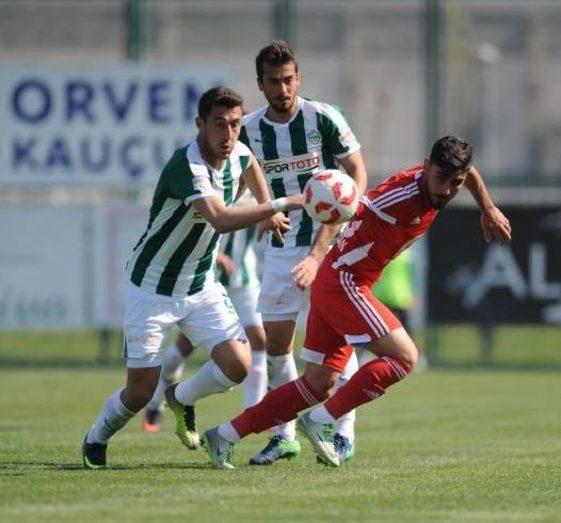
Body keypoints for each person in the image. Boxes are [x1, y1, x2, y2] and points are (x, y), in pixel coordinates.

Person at [199, 135, 512, 469]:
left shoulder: (442, 182)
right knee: (404, 357)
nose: (448, 190)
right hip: (344, 282)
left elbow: (471, 173)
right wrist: (311, 207)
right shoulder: (399, 196)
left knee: (317, 383)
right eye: (441, 179)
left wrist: (488, 206)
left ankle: (226, 435)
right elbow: (349, 206)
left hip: (335, 282)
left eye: (456, 182)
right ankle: (321, 420)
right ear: (425, 167)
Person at [81, 86, 304, 469]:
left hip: (200, 285)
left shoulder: (237, 154)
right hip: (152, 287)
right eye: (219, 124)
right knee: (139, 391)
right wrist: (280, 204)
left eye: (235, 124)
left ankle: (181, 398)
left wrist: (265, 208)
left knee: (238, 365)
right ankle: (96, 437)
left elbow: (252, 166)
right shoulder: (187, 167)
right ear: (200, 124)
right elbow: (219, 218)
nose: (229, 134)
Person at [239, 39, 368, 465]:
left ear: (299, 79)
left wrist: (334, 227)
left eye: (289, 79)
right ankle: (284, 434)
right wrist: (257, 212)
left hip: (331, 246)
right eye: (274, 81)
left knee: (336, 340)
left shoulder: (323, 117)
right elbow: (241, 184)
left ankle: (343, 432)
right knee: (277, 346)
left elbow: (357, 173)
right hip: (281, 248)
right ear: (261, 83)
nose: (283, 88)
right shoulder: (250, 130)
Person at [141, 192, 268, 432]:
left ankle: (255, 411)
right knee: (182, 349)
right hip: (209, 278)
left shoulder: (260, 187)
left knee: (259, 340)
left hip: (244, 279)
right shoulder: (217, 185)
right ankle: (156, 403)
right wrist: (216, 254)